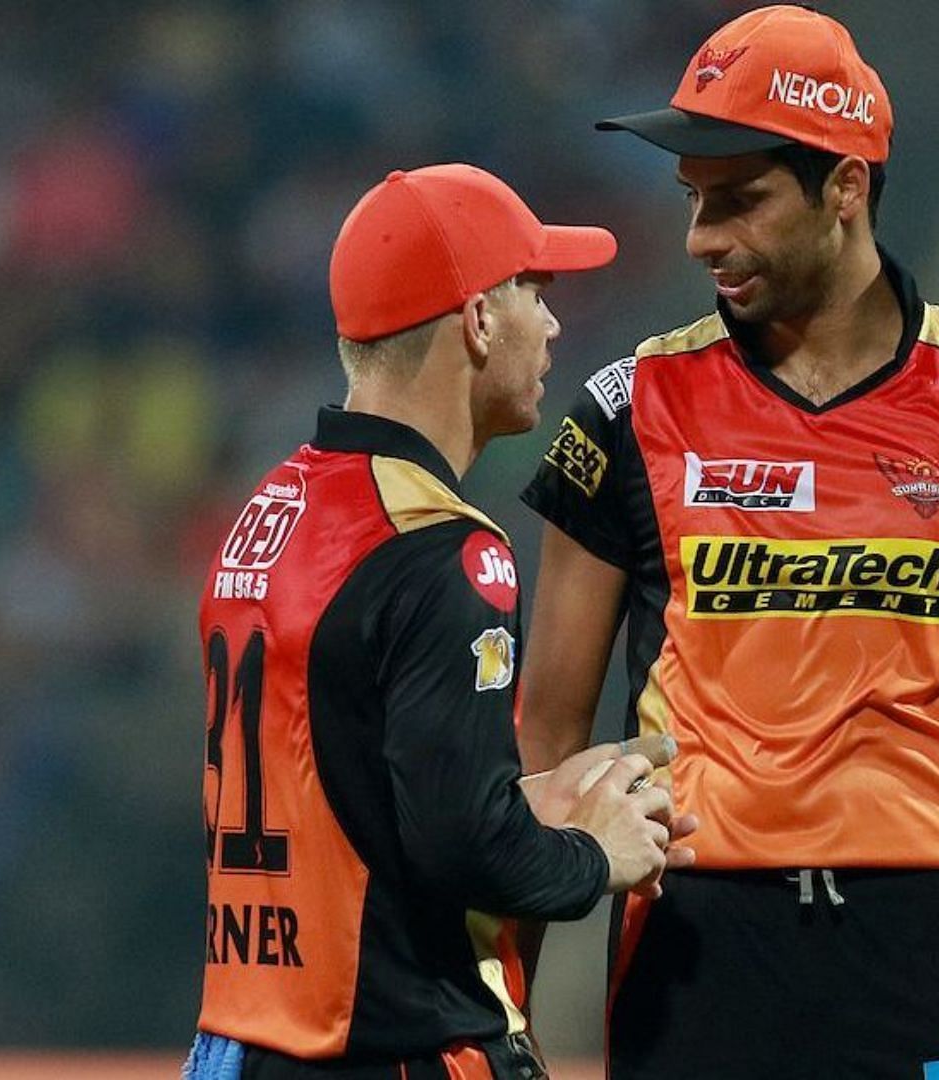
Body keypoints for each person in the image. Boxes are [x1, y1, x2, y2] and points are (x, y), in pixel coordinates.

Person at [517, 7, 939, 1078]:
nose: (701, 237)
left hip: (932, 955)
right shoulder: (624, 410)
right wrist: (509, 1002)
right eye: (693, 202)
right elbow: (546, 722)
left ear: (847, 187)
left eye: (741, 200)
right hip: (693, 956)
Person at [185, 163, 695, 1080]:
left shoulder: (271, 513)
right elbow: (462, 845)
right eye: (535, 292)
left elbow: (356, 798)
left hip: (243, 1043)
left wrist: (522, 799)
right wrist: (592, 853)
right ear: (476, 320)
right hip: (391, 1044)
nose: (553, 324)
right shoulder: (444, 547)